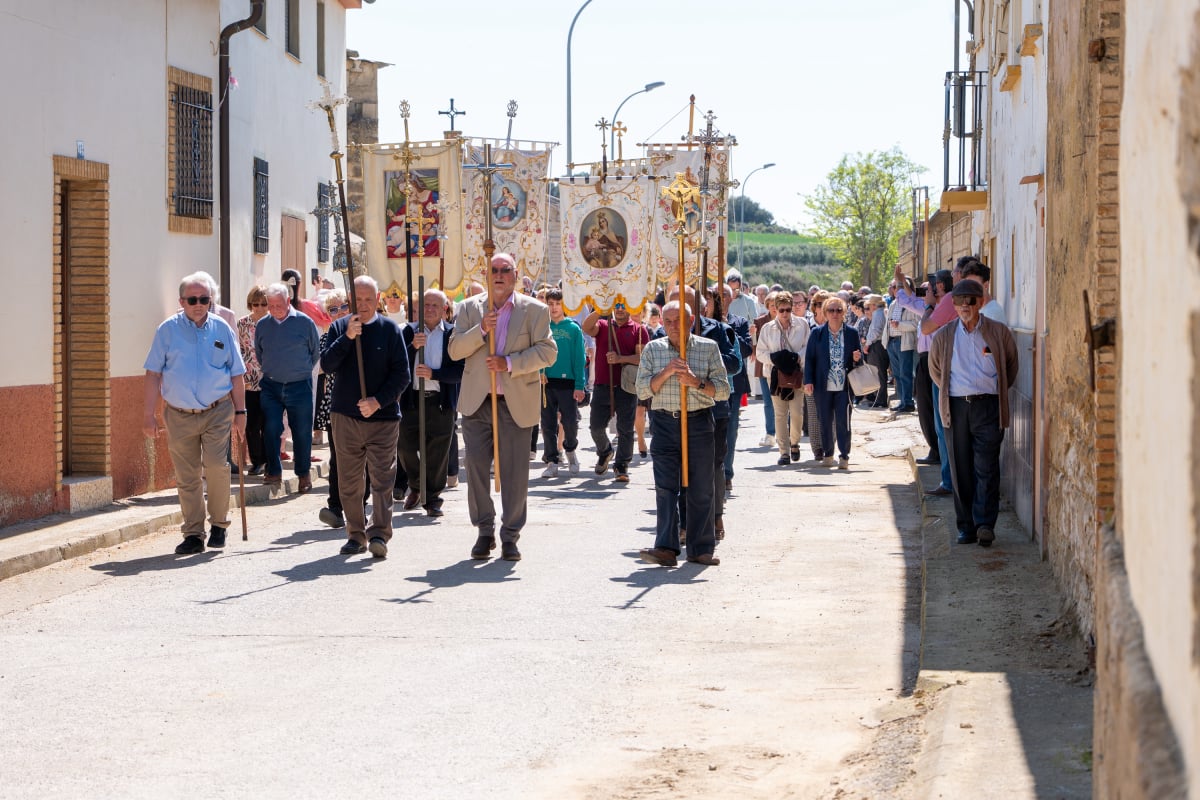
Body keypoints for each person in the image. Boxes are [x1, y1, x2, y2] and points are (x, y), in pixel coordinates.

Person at [448, 252, 557, 562]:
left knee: (514, 473)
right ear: (487, 273)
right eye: (493, 270)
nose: (498, 275)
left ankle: (510, 535)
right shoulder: (470, 308)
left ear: (514, 274)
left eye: (504, 270)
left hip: (515, 402)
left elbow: (548, 352)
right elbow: (455, 350)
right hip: (477, 401)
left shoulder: (534, 310)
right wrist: (481, 329)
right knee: (477, 469)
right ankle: (484, 530)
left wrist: (509, 363)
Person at [143, 272, 247, 554]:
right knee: (186, 474)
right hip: (178, 413)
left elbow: (237, 374)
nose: (199, 304)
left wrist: (241, 412)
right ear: (182, 301)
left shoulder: (222, 329)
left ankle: (219, 525)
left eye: (204, 299)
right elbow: (153, 374)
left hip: (217, 410)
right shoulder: (166, 330)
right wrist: (148, 415)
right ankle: (193, 533)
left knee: (216, 465)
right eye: (193, 300)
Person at [320, 275, 410, 558]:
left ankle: (380, 533)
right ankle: (356, 534)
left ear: (378, 300)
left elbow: (402, 375)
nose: (365, 305)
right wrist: (347, 338)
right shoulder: (337, 328)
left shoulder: (390, 330)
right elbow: (326, 364)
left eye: (370, 299)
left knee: (383, 479)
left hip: (382, 419)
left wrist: (378, 401)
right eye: (359, 300)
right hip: (345, 416)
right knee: (349, 480)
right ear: (351, 302)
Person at [635, 301, 730, 568]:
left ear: (690, 321)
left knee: (701, 487)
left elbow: (723, 390)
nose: (674, 326)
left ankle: (701, 549)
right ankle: (665, 547)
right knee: (666, 487)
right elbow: (642, 390)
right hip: (665, 423)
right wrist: (666, 373)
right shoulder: (654, 349)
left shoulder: (707, 348)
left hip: (698, 423)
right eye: (668, 321)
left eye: (679, 320)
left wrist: (696, 382)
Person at [928, 280, 1019, 546]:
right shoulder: (944, 336)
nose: (965, 306)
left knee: (987, 467)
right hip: (956, 407)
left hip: (988, 406)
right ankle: (966, 526)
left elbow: (1010, 366)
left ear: (980, 303)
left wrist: (993, 391)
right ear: (953, 305)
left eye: (971, 300)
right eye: (960, 301)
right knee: (961, 469)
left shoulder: (998, 332)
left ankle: (985, 525)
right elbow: (936, 371)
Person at [397, 289, 464, 518]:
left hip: (440, 401)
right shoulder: (408, 331)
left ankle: (433, 497)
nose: (431, 309)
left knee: (438, 451)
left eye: (436, 305)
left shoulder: (453, 335)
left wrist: (434, 374)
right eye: (426, 305)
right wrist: (412, 348)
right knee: (405, 446)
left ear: (445, 309)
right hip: (411, 400)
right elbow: (394, 365)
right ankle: (416, 486)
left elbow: (459, 371)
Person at [255, 282, 321, 492]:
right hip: (271, 385)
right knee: (271, 427)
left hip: (299, 385)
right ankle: (274, 471)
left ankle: (303, 474)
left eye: (278, 305)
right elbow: (259, 352)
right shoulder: (263, 325)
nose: (274, 310)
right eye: (271, 306)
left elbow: (315, 352)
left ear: (288, 301)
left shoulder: (305, 322)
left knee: (302, 431)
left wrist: (299, 371)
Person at [582, 300, 649, 483]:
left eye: (623, 306)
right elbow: (586, 327)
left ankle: (622, 466)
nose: (620, 310)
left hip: (626, 387)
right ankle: (605, 451)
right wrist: (600, 309)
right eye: (616, 306)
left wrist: (620, 358)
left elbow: (642, 358)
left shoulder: (638, 329)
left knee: (625, 429)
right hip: (603, 385)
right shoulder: (604, 325)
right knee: (596, 427)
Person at [803, 295, 863, 469]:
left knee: (843, 421)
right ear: (825, 313)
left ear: (844, 312)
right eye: (831, 310)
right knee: (825, 420)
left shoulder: (851, 333)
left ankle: (844, 456)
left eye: (838, 310)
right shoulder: (817, 333)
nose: (835, 314)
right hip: (823, 385)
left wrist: (857, 358)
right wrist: (808, 381)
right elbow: (810, 359)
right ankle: (828, 454)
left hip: (845, 385)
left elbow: (859, 360)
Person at [757, 292, 810, 465]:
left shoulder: (802, 325)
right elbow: (760, 353)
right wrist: (775, 358)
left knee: (796, 413)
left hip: (796, 375)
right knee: (779, 414)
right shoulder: (767, 328)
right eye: (781, 310)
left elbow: (807, 348)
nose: (785, 314)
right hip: (775, 376)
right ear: (776, 310)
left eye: (788, 309)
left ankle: (794, 442)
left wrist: (795, 357)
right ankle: (784, 452)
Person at [540, 288, 587, 477]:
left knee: (570, 421)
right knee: (548, 423)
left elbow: (579, 358)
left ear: (564, 305)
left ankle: (570, 451)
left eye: (557, 304)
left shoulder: (573, 328)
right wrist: (538, 372)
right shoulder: (542, 326)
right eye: (550, 304)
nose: (554, 307)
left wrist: (579, 385)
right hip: (546, 381)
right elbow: (537, 352)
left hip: (568, 382)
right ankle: (552, 460)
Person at [316, 290, 353, 528]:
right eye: (333, 309)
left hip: (361, 405)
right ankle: (335, 506)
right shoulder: (326, 338)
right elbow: (321, 368)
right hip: (335, 405)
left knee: (363, 459)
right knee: (338, 457)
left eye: (343, 307)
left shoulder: (363, 333)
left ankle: (358, 505)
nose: (339, 312)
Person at [236, 286, 270, 475]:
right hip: (248, 381)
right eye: (255, 304)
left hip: (269, 380)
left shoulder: (274, 323)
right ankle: (256, 461)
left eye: (263, 304)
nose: (259, 308)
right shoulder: (242, 324)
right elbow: (239, 349)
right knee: (251, 424)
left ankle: (269, 460)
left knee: (269, 424)